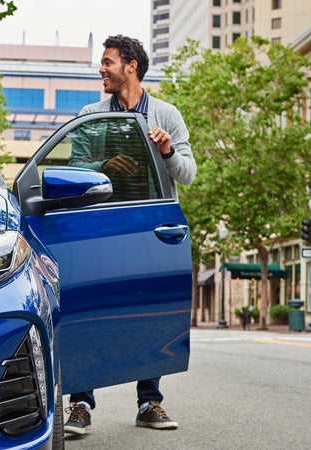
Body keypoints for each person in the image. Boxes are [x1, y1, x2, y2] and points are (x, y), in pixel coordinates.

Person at [63, 34, 197, 436]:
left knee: (149, 312)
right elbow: (74, 167)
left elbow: (189, 174)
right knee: (87, 311)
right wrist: (105, 166)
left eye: (108, 62)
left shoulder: (166, 114)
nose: (101, 69)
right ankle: (81, 404)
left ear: (131, 66)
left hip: (149, 228)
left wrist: (168, 151)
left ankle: (149, 402)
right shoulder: (91, 115)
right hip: (97, 227)